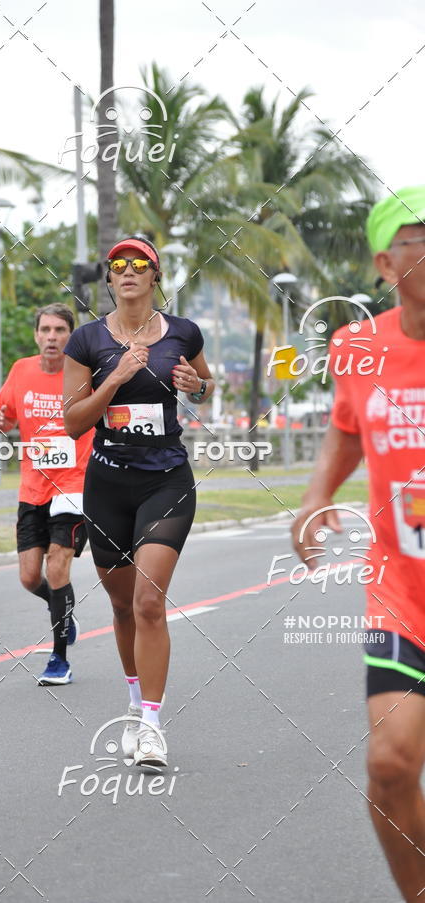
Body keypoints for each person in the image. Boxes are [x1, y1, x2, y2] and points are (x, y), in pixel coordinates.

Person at [291, 186, 425, 902]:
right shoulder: (358, 347)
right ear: (386, 261)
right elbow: (347, 423)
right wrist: (318, 494)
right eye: (420, 238)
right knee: (391, 765)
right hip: (403, 594)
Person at [62, 235, 214, 768]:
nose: (128, 271)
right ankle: (132, 703)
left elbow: (204, 385)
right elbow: (73, 420)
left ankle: (151, 725)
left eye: (139, 264)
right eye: (118, 265)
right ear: (109, 279)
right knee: (122, 607)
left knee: (150, 602)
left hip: (166, 481)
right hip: (107, 484)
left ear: (155, 276)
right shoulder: (86, 341)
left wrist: (197, 385)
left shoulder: (183, 332)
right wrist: (117, 378)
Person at [0, 303, 93, 686]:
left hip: (74, 485)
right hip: (33, 487)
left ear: (71, 336)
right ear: (36, 335)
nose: (52, 337)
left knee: (57, 566)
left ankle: (59, 659)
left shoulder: (83, 374)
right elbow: (6, 417)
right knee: (31, 578)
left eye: (60, 330)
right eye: (45, 330)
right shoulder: (21, 370)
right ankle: (63, 612)